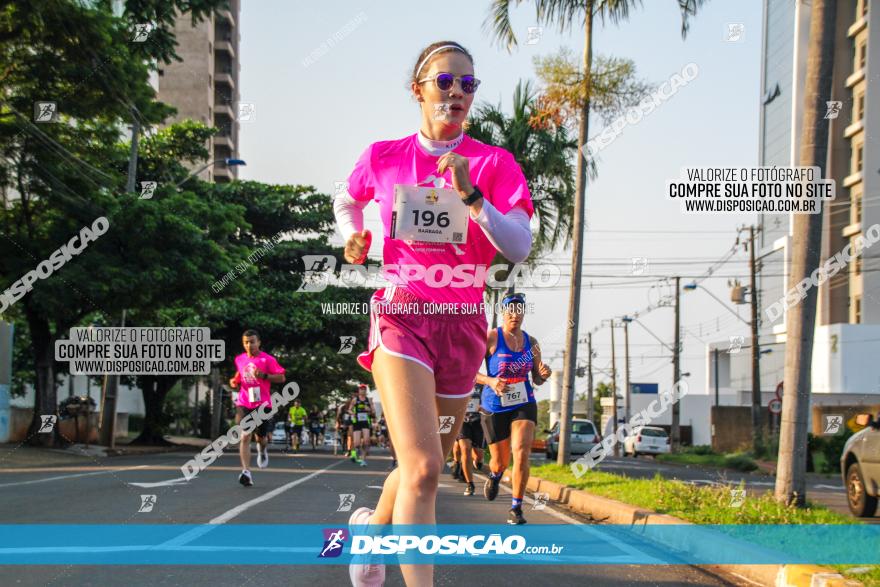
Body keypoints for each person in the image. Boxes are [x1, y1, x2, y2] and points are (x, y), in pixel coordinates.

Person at [333, 40, 534, 586]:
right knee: (422, 469)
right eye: (445, 82)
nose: (457, 93)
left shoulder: (495, 164)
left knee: (423, 464)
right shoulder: (384, 156)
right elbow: (346, 199)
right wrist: (355, 237)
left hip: (464, 327)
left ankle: (371, 531)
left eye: (468, 84)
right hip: (402, 318)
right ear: (418, 90)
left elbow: (517, 246)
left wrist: (473, 196)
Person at [476, 293, 551, 525]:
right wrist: (490, 381)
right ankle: (496, 475)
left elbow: (537, 379)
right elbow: (468, 370)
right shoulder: (490, 338)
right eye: (510, 311)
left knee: (521, 450)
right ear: (503, 313)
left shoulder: (532, 342)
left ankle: (516, 508)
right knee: (500, 461)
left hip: (523, 400)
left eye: (519, 311)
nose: (515, 315)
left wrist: (543, 375)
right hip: (494, 404)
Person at [228, 329, 286, 487]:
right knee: (245, 436)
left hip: (263, 404)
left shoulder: (268, 359)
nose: (249, 345)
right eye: (246, 342)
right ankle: (246, 472)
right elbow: (239, 376)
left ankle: (262, 450)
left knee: (261, 438)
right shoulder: (239, 359)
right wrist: (234, 381)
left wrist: (264, 376)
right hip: (244, 402)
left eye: (252, 341)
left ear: (259, 342)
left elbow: (281, 377)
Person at [453, 384, 485, 496]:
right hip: (462, 421)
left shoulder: (483, 385)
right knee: (465, 449)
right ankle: (470, 484)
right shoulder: (457, 381)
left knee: (478, 456)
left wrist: (484, 407)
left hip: (478, 422)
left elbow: (490, 401)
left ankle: (478, 461)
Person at [348, 384, 375, 466]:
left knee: (366, 441)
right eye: (361, 389)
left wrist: (369, 409)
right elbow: (349, 410)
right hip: (357, 422)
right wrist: (353, 413)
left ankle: (363, 459)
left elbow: (373, 412)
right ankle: (355, 453)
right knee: (356, 443)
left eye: (364, 389)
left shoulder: (369, 400)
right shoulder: (355, 400)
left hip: (366, 422)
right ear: (359, 390)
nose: (362, 390)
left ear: (366, 391)